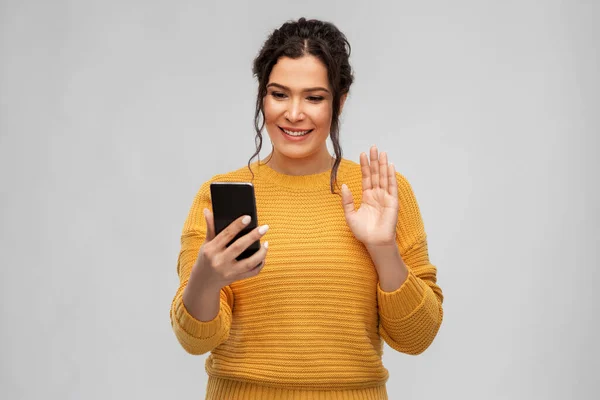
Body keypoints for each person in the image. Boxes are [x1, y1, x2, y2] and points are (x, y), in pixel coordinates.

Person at [170, 17, 444, 399]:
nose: (294, 113)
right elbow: (194, 340)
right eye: (279, 94)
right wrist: (206, 277)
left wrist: (383, 249)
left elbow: (418, 337)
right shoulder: (216, 197)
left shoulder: (381, 192)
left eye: (314, 97)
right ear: (262, 97)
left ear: (340, 101)